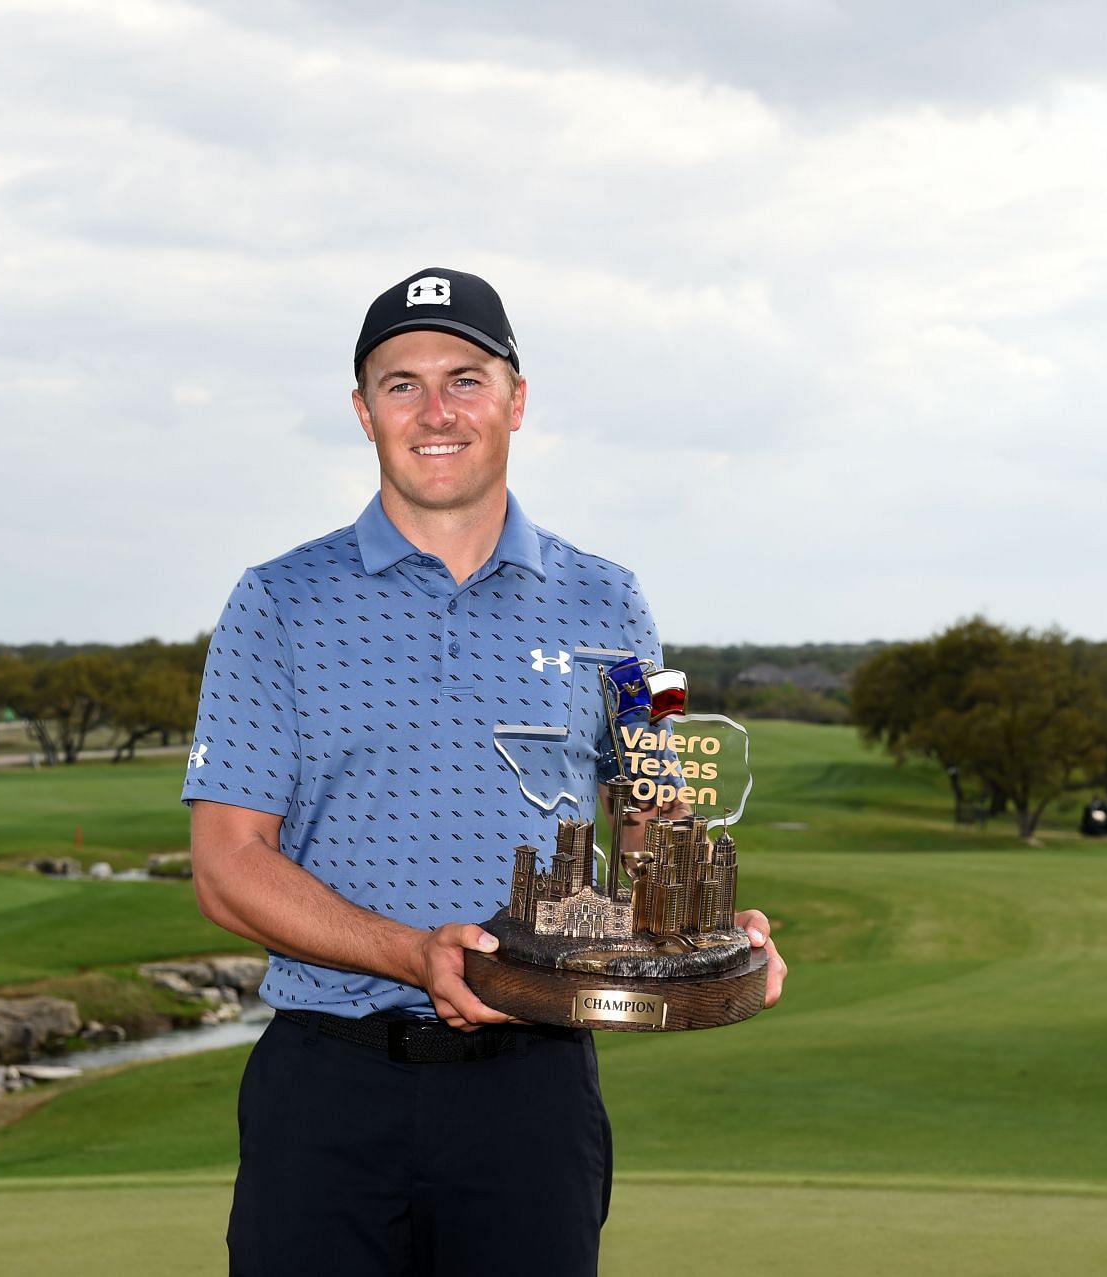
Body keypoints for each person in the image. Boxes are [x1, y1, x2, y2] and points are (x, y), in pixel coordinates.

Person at [182, 266, 786, 1277]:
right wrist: (417, 953)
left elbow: (654, 802)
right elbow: (227, 863)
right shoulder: (276, 602)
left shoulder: (617, 600)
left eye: (465, 377)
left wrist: (706, 923)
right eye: (401, 382)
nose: (435, 410)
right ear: (363, 410)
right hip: (331, 1086)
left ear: (517, 398)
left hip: (532, 1090)